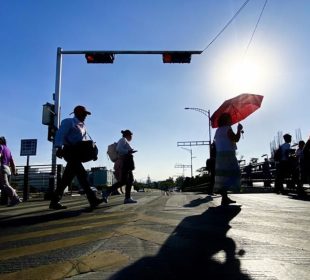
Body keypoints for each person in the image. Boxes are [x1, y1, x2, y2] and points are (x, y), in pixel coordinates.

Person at [49, 105, 103, 210]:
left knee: (66, 178)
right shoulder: (69, 122)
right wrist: (58, 147)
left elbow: (83, 142)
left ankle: (54, 201)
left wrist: (92, 154)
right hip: (69, 151)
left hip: (77, 153)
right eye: (84, 114)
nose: (86, 116)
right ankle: (93, 200)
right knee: (82, 175)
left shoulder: (83, 126)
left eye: (86, 114)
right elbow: (60, 134)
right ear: (77, 113)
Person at [213, 113, 243, 206]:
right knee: (234, 173)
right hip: (228, 155)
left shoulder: (217, 130)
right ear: (226, 120)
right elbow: (235, 139)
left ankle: (225, 198)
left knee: (223, 176)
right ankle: (226, 197)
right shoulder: (227, 129)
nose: (231, 121)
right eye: (229, 119)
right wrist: (239, 130)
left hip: (220, 156)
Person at [102, 129, 137, 204]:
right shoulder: (123, 139)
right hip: (125, 163)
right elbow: (118, 149)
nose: (131, 137)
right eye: (131, 135)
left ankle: (127, 198)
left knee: (130, 180)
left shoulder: (124, 141)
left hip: (127, 163)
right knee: (124, 181)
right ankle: (107, 191)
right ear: (128, 135)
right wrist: (129, 151)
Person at [0, 137, 22, 206]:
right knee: (3, 186)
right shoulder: (8, 150)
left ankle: (15, 199)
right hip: (7, 168)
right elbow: (12, 162)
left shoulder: (0, 146)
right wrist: (14, 172)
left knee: (5, 185)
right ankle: (4, 201)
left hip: (2, 167)